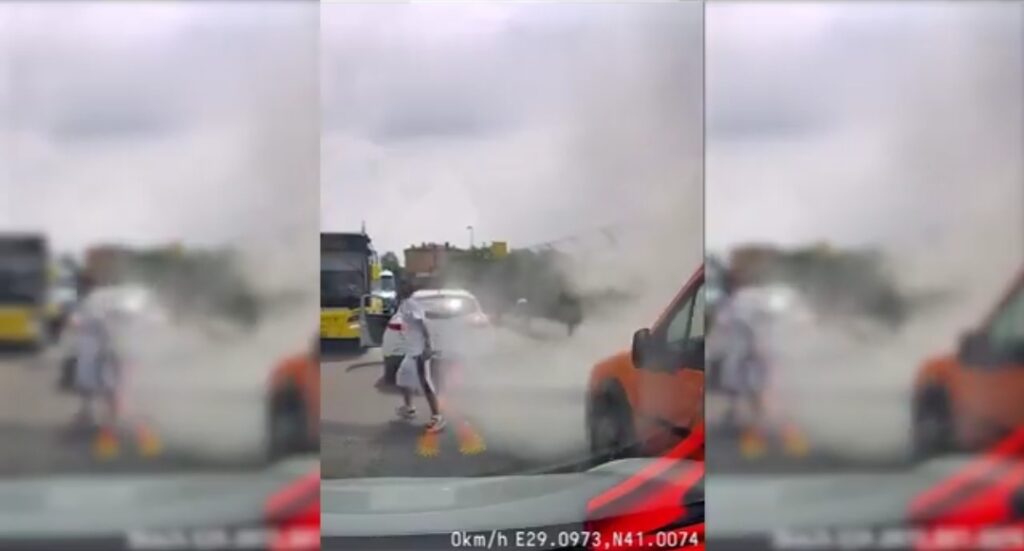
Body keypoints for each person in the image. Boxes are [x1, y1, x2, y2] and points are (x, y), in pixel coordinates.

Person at [393, 283, 446, 432]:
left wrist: (428, 346)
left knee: (425, 382)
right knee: (403, 376)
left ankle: (437, 417)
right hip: (411, 350)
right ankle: (409, 408)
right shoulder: (404, 305)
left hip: (419, 350)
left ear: (405, 291)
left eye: (399, 288)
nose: (397, 291)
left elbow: (423, 324)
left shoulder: (410, 304)